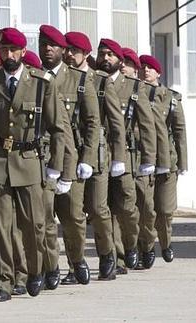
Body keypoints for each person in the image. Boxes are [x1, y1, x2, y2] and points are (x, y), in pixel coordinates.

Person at [0, 27, 73, 301]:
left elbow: (57, 128)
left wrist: (56, 165)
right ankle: (3, 282)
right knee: (0, 226)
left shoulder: (41, 83)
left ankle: (33, 271)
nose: (8, 55)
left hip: (29, 160)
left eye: (12, 50)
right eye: (4, 50)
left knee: (33, 225)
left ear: (23, 52)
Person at [60, 31, 126, 283]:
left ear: (85, 54)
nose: (68, 54)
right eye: (66, 50)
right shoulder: (60, 78)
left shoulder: (100, 80)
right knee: (72, 213)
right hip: (70, 155)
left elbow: (116, 123)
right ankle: (74, 264)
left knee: (98, 209)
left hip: (97, 156)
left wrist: (118, 156)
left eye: (73, 50)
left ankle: (108, 254)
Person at [39, 25, 100, 288]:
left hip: (70, 160)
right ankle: (50, 267)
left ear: (63, 50)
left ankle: (77, 261)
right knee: (43, 217)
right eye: (43, 44)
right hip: (40, 159)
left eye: (53, 45)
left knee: (72, 217)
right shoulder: (34, 77)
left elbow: (92, 122)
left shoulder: (79, 80)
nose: (47, 49)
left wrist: (87, 158)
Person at [96, 39, 156, 273]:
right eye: (102, 54)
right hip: (100, 154)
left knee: (128, 208)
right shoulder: (94, 81)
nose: (106, 58)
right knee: (104, 209)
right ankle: (114, 259)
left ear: (119, 60)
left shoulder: (133, 86)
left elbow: (147, 125)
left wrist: (149, 160)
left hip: (127, 156)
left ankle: (133, 245)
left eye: (111, 55)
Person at [137, 55, 187, 263]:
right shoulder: (134, 92)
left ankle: (166, 242)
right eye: (143, 67)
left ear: (158, 72)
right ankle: (147, 248)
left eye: (150, 68)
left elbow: (179, 131)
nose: (145, 70)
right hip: (142, 159)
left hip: (167, 161)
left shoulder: (171, 97)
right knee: (146, 209)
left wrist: (183, 162)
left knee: (165, 210)